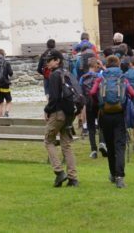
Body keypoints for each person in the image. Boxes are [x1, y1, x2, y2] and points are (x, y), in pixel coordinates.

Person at [89, 55, 134, 188]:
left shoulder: (101, 78)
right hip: (119, 115)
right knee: (120, 146)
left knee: (110, 146)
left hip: (105, 116)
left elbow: (92, 92)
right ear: (118, 64)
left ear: (106, 64)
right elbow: (133, 94)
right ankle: (120, 177)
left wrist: (99, 104)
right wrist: (126, 103)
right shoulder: (123, 78)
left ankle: (113, 174)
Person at [42, 50, 79, 187]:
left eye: (50, 60)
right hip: (69, 114)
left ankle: (59, 172)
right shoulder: (67, 73)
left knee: (48, 140)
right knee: (66, 144)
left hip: (58, 113)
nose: (48, 63)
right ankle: (73, 178)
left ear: (57, 60)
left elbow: (54, 98)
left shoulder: (54, 75)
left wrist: (47, 110)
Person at [78, 58, 103, 158]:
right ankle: (102, 142)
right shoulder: (100, 76)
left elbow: (80, 92)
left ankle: (93, 150)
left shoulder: (83, 77)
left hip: (88, 104)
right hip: (99, 103)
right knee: (102, 125)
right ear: (96, 66)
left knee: (91, 127)